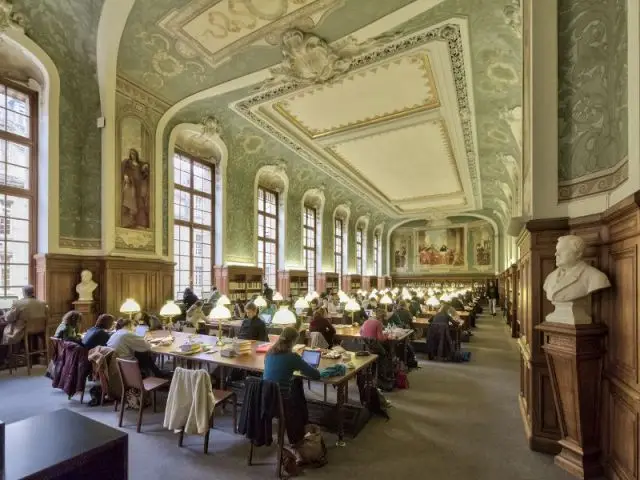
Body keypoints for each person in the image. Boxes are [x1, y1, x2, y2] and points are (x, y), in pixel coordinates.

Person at [264, 327, 321, 394]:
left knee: (295, 380)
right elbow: (316, 375)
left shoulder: (269, 352)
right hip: (281, 397)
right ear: (293, 341)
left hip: (265, 394)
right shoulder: (293, 357)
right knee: (297, 382)